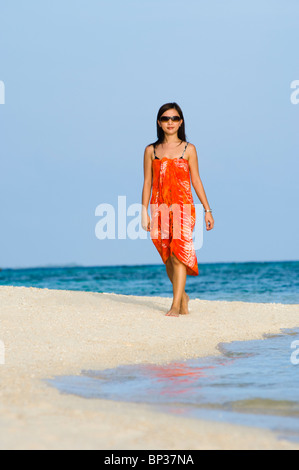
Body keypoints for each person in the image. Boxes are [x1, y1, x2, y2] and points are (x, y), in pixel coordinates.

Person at [141, 102, 214, 317]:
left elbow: (196, 181)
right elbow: (147, 183)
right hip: (160, 208)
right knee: (167, 255)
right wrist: (143, 211)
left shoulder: (188, 149)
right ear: (159, 122)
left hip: (183, 208)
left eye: (174, 118)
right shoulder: (150, 150)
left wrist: (207, 210)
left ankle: (175, 306)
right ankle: (182, 296)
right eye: (165, 118)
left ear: (180, 122)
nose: (170, 122)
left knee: (178, 255)